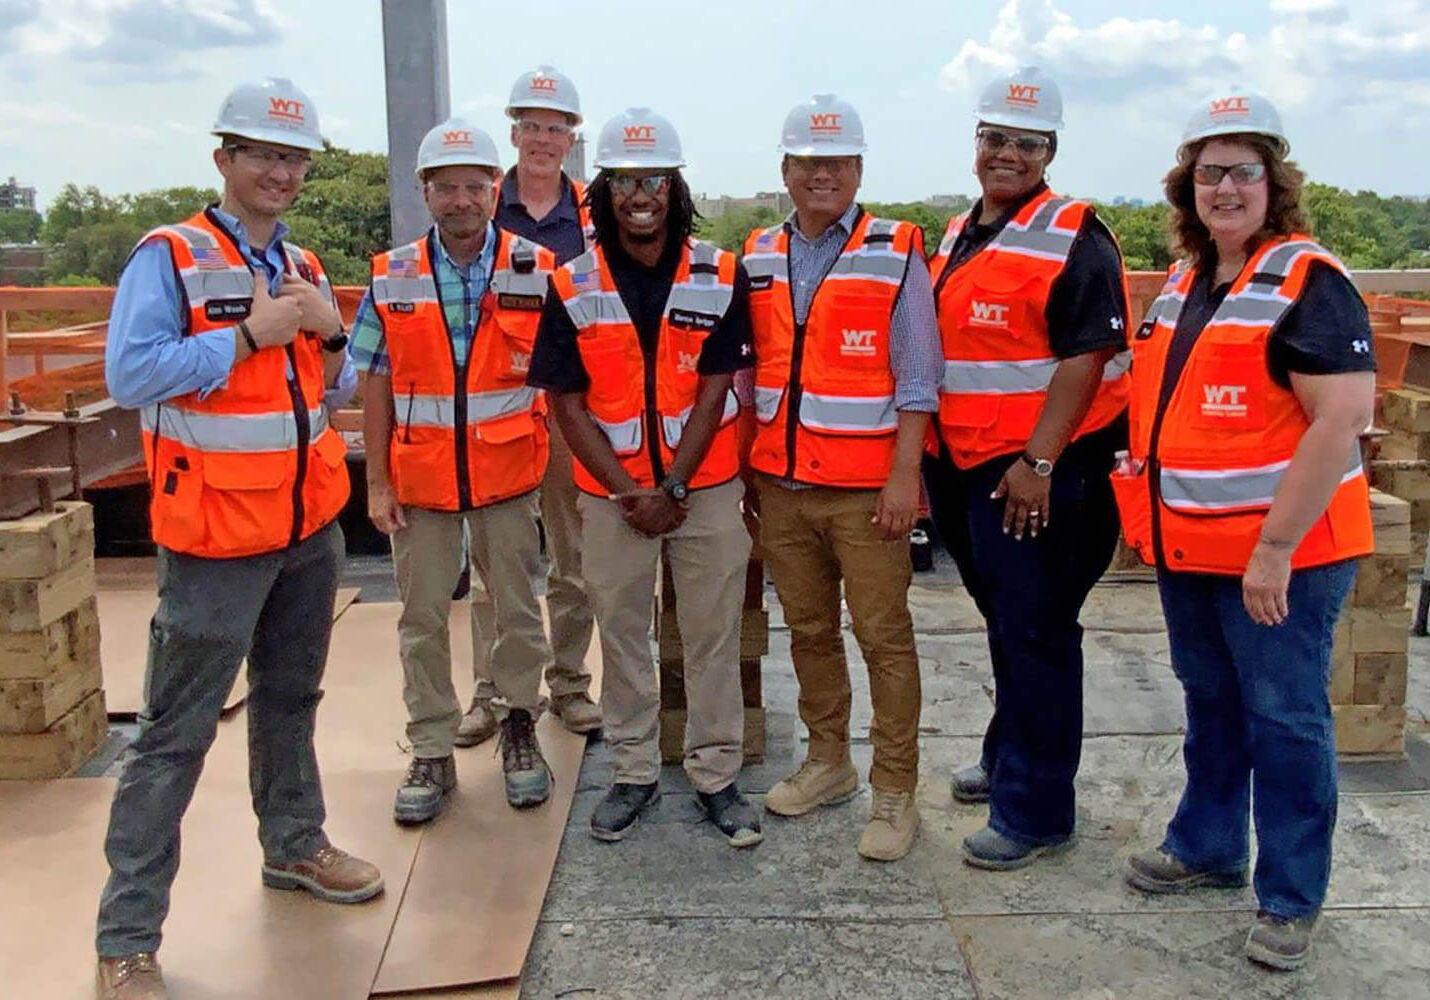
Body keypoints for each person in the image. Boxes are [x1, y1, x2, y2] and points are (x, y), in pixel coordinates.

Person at [96, 78, 382, 1000]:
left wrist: (331, 338)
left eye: (294, 158)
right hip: (217, 538)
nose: (281, 172)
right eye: (263, 154)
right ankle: (126, 937)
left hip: (305, 531)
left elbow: (320, 399)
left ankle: (294, 846)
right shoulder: (170, 256)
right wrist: (249, 337)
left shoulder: (293, 262)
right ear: (224, 159)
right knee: (172, 737)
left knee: (291, 699)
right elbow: (133, 374)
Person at [1118, 87, 1374, 972]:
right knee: (1213, 704)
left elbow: (1339, 420)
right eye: (1207, 173)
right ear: (1186, 186)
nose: (1223, 188)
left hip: (1283, 558)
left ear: (1275, 181)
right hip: (1194, 550)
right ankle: (1209, 845)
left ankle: (1291, 897)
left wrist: (1273, 550)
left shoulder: (1310, 281)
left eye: (1242, 172)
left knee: (1286, 720)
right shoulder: (1191, 282)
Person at [529, 108, 762, 848]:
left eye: (654, 179)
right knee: (622, 635)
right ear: (604, 189)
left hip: (706, 490)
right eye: (626, 179)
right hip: (612, 499)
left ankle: (716, 776)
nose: (641, 194)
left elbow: (718, 386)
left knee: (711, 636)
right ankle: (632, 773)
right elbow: (565, 402)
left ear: (674, 187)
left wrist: (678, 490)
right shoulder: (570, 283)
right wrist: (631, 493)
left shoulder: (719, 272)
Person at [922, 66, 1131, 871]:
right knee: (1006, 624)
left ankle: (1037, 810)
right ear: (977, 144)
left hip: (1044, 473)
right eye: (995, 139)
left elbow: (1087, 357)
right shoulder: (961, 229)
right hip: (970, 467)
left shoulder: (1076, 233)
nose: (1007, 153)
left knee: (1039, 632)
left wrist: (1038, 461)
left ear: (1049, 151)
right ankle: (1010, 753)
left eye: (1025, 143)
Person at [744, 95, 940, 862]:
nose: (822, 174)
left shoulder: (895, 250)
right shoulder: (758, 253)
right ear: (787, 171)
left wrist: (903, 480)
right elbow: (746, 376)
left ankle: (895, 792)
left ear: (858, 170)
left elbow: (919, 377)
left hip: (867, 493)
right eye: (808, 162)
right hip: (781, 488)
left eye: (837, 163)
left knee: (885, 639)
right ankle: (829, 762)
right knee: (812, 632)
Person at [351, 120, 557, 822]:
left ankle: (519, 721)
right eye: (448, 187)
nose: (462, 199)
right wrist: (376, 481)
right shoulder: (392, 275)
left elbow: (564, 377)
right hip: (421, 481)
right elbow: (372, 381)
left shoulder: (536, 269)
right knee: (422, 617)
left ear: (495, 189)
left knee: (517, 609)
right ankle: (432, 747)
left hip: (509, 475)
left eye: (475, 185)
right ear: (426, 193)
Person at [457, 64, 601, 747]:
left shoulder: (594, 216)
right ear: (514, 132)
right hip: (502, 410)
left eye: (557, 128)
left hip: (574, 409)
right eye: (534, 127)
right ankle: (495, 691)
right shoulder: (481, 205)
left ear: (573, 138)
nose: (545, 140)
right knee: (498, 565)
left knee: (574, 560)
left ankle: (569, 685)